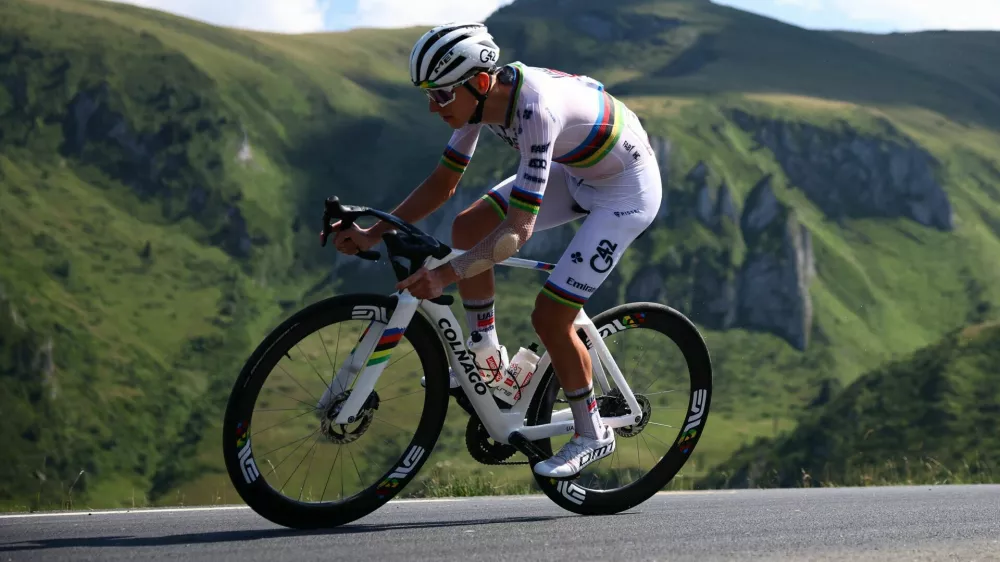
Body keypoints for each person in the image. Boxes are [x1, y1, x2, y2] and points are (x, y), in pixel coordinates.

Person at [332, 22, 662, 479]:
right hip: (576, 170)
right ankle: (487, 358)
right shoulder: (475, 104)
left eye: (442, 95)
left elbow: (517, 230)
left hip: (624, 191)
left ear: (481, 81)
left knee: (551, 315)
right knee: (468, 227)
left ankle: (592, 433)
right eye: (429, 95)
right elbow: (444, 183)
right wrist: (373, 231)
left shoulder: (534, 110)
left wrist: (446, 276)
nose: (433, 107)